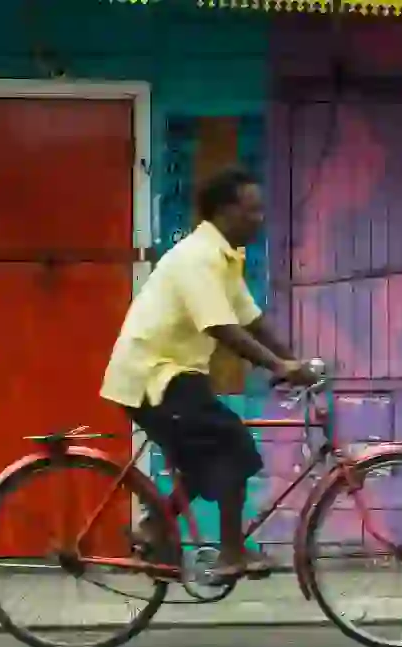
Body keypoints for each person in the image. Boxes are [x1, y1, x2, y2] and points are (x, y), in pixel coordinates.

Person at [100, 165, 317, 582]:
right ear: (223, 212)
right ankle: (230, 553)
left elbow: (250, 319)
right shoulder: (196, 257)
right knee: (232, 444)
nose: (259, 220)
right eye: (251, 211)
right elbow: (220, 326)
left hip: (177, 374)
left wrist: (295, 363)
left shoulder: (226, 258)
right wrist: (277, 366)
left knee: (204, 460)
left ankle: (153, 527)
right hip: (152, 375)